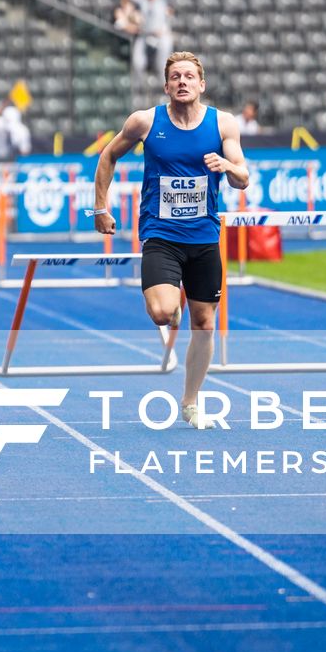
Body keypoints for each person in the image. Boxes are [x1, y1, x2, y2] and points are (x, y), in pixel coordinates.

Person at [91, 52, 251, 428]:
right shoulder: (145, 122)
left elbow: (242, 177)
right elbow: (108, 156)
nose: (182, 81)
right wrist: (100, 207)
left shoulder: (223, 124)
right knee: (162, 313)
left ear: (201, 84)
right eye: (175, 76)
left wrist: (228, 167)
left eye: (189, 76)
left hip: (204, 237)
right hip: (161, 235)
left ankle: (191, 401)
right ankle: (170, 307)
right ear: (166, 86)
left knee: (205, 322)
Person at [125, 0, 172, 90]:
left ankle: (164, 86)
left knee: (163, 62)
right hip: (145, 35)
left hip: (160, 35)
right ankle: (139, 87)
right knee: (137, 61)